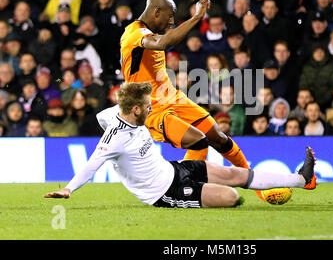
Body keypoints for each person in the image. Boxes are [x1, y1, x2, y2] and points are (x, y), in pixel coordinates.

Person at [44, 82, 317, 208]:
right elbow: (93, 163)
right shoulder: (114, 137)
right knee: (231, 197)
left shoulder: (114, 114)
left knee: (235, 175)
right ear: (137, 110)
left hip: (175, 169)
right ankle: (203, 196)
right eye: (148, 106)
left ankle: (301, 178)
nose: (153, 109)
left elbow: (103, 115)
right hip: (163, 192)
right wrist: (69, 189)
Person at [119, 0, 251, 170]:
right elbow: (163, 43)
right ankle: (181, 184)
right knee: (198, 140)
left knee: (218, 138)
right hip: (153, 109)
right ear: (157, 12)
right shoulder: (135, 33)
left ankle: (252, 179)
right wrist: (196, 17)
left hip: (174, 100)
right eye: (170, 15)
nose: (172, 21)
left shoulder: (148, 34)